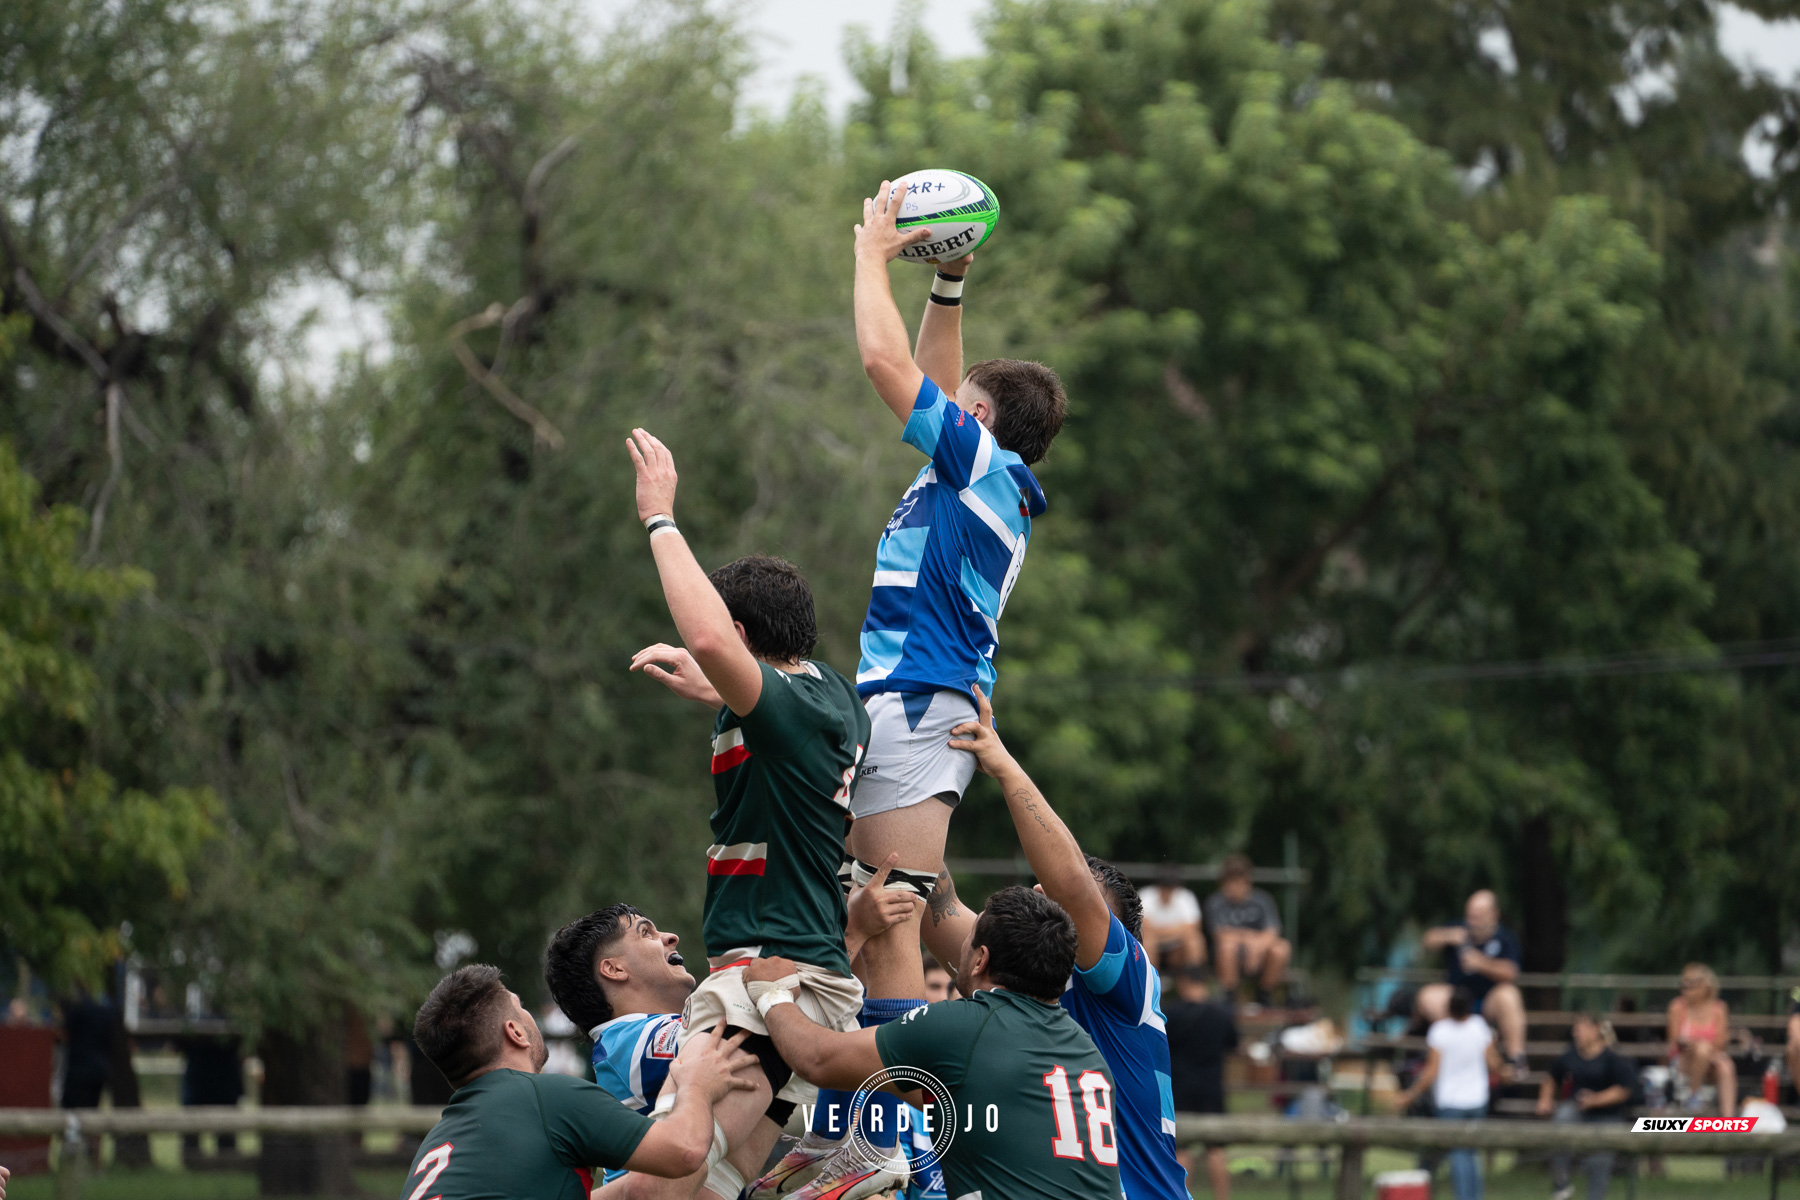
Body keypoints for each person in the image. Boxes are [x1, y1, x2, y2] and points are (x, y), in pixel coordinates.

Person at [838, 176, 1068, 1182]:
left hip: (918, 704)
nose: (948, 394)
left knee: (885, 913)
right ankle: (1047, 1005)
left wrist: (873, 255)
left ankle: (904, 1168)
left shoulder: (978, 471)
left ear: (977, 420)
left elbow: (885, 364)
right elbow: (933, 367)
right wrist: (949, 287)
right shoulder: (976, 473)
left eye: (961, 400)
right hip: (919, 705)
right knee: (922, 913)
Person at [624, 430, 882, 1197]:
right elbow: (757, 691)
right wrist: (712, 683)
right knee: (719, 1185)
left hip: (768, 978)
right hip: (798, 976)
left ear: (740, 638)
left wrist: (659, 518)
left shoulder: (788, 712)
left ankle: (852, 1173)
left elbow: (707, 633)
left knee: (666, 1178)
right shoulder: (830, 692)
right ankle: (832, 1176)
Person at [913, 685, 1188, 1200]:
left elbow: (1071, 887)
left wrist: (1004, 765)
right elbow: (937, 906)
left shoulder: (1129, 984)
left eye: (1056, 898)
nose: (1042, 894)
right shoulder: (1026, 973)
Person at [742, 886, 1123, 1200]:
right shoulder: (1083, 1047)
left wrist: (773, 993)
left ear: (980, 959)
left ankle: (856, 1149)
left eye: (969, 938)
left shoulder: (969, 1027)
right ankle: (840, 1142)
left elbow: (818, 1060)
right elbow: (955, 1094)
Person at [543, 881, 913, 1200]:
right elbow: (761, 1024)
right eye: (645, 933)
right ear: (614, 969)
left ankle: (839, 1138)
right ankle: (859, 1140)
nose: (669, 936)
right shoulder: (625, 1041)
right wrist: (852, 933)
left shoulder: (643, 1038)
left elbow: (780, 1020)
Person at [400, 964, 759, 1200]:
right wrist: (698, 1082)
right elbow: (685, 1151)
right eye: (520, 1006)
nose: (529, 1015)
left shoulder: (441, 1142)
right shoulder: (547, 1098)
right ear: (515, 1032)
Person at [1392, 988, 1502, 1200]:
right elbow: (1493, 1062)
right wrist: (1506, 1072)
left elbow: (1431, 1071)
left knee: (1458, 1155)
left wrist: (1411, 1094)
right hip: (1477, 1099)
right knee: (1471, 1154)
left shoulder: (1440, 1030)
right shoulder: (1479, 1026)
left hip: (1450, 1101)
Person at [1416, 890, 1526, 1070]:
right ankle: (1460, 1046)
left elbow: (1511, 972)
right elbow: (1428, 940)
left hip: (1488, 1002)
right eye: (1470, 915)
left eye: (1478, 915)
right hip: (1457, 1001)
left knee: (1509, 995)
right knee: (1428, 996)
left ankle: (1516, 1059)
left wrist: (1481, 963)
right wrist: (1447, 936)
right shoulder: (1458, 928)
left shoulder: (1505, 938)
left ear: (1493, 915)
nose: (1472, 920)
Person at [1535, 1013, 1637, 1200]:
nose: (1576, 1033)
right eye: (1575, 1029)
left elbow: (1624, 1090)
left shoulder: (1613, 1057)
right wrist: (1545, 1100)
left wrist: (1595, 1099)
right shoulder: (1571, 1055)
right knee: (1561, 1121)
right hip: (1577, 1111)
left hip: (1607, 1115)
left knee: (1600, 1156)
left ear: (1596, 1029)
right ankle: (1561, 1185)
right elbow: (1550, 1078)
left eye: (1580, 1028)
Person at [1165, 968, 1238, 1200]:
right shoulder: (1221, 1014)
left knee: (1182, 1150)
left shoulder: (1171, 1014)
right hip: (1212, 1088)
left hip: (1180, 1087)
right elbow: (1233, 1045)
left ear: (1184, 981)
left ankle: (1179, 1196)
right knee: (1216, 1149)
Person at [1202, 856, 1291, 1002]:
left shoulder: (1263, 900)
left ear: (1247, 881)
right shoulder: (1215, 902)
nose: (1232, 887)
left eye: (1237, 881)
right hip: (1227, 955)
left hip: (1259, 955)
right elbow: (1220, 935)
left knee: (1281, 948)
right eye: (1229, 881)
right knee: (1227, 947)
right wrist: (1248, 939)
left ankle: (1264, 994)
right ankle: (1229, 996)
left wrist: (1256, 947)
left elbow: (1273, 932)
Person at [1666, 962, 1735, 1116]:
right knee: (1702, 1049)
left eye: (1690, 985)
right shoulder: (1677, 1007)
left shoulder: (1719, 1009)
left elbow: (1721, 1043)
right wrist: (1694, 1045)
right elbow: (1674, 1041)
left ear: (1704, 986)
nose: (1685, 990)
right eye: (1683, 985)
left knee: (1726, 1067)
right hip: (1684, 1060)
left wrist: (1701, 1045)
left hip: (1710, 1059)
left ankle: (1728, 1119)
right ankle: (1693, 1097)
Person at [1141, 869, 1205, 973]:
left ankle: (1194, 977)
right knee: (1148, 940)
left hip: (1177, 947)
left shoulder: (1185, 896)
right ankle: (1149, 977)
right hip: (1155, 943)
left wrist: (1159, 931)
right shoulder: (1146, 896)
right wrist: (1178, 930)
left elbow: (1193, 926)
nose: (1167, 892)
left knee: (1194, 939)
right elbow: (1143, 926)